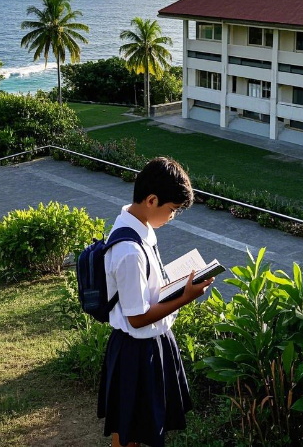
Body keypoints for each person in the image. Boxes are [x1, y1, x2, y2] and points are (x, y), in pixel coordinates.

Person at [97, 156, 213, 447]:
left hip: (152, 343)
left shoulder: (140, 229)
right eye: (172, 210)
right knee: (128, 431)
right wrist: (185, 297)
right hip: (135, 348)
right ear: (151, 200)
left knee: (138, 425)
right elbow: (136, 317)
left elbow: (146, 289)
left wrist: (176, 285)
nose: (172, 216)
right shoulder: (129, 251)